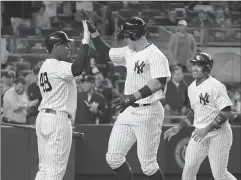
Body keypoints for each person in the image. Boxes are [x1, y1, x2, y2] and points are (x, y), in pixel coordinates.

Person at [80, 11, 171, 180]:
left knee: (148, 166)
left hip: (149, 111)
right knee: (113, 157)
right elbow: (104, 51)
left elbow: (158, 81)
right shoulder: (129, 51)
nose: (124, 39)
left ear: (135, 34)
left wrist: (132, 97)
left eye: (126, 36)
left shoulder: (156, 55)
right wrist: (93, 32)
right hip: (128, 108)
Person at [164, 52, 237, 180]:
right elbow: (194, 112)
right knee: (188, 171)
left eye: (198, 65)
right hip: (199, 134)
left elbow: (226, 112)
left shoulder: (216, 86)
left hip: (219, 135)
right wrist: (178, 127)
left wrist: (206, 129)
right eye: (193, 64)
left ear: (207, 68)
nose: (194, 68)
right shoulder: (191, 87)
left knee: (220, 175)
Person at [34, 21, 90, 180]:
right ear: (55, 47)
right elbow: (77, 68)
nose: (69, 48)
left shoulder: (45, 66)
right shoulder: (55, 65)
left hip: (45, 118)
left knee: (44, 169)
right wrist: (86, 39)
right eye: (65, 44)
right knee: (55, 171)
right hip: (57, 119)